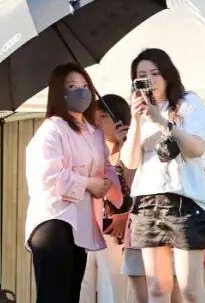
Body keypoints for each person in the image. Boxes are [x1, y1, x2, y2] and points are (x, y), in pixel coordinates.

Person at [121, 48, 205, 303]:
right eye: (142, 76)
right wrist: (136, 120)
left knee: (190, 289)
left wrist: (161, 121)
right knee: (157, 289)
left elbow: (196, 149)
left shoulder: (188, 103)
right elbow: (130, 161)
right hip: (147, 202)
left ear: (167, 74)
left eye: (155, 73)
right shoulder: (140, 113)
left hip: (185, 201)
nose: (149, 79)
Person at [26, 63, 124, 303]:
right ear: (59, 93)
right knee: (54, 296)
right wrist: (89, 184)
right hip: (54, 222)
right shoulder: (51, 130)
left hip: (80, 228)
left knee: (72, 296)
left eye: (85, 85)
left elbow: (106, 168)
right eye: (72, 86)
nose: (80, 91)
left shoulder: (94, 133)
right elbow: (47, 177)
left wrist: (108, 182)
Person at [80, 94, 134, 303]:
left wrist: (125, 146)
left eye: (102, 116)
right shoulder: (95, 150)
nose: (96, 122)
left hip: (117, 232)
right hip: (91, 229)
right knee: (83, 289)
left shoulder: (132, 151)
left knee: (113, 292)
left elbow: (136, 190)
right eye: (95, 116)